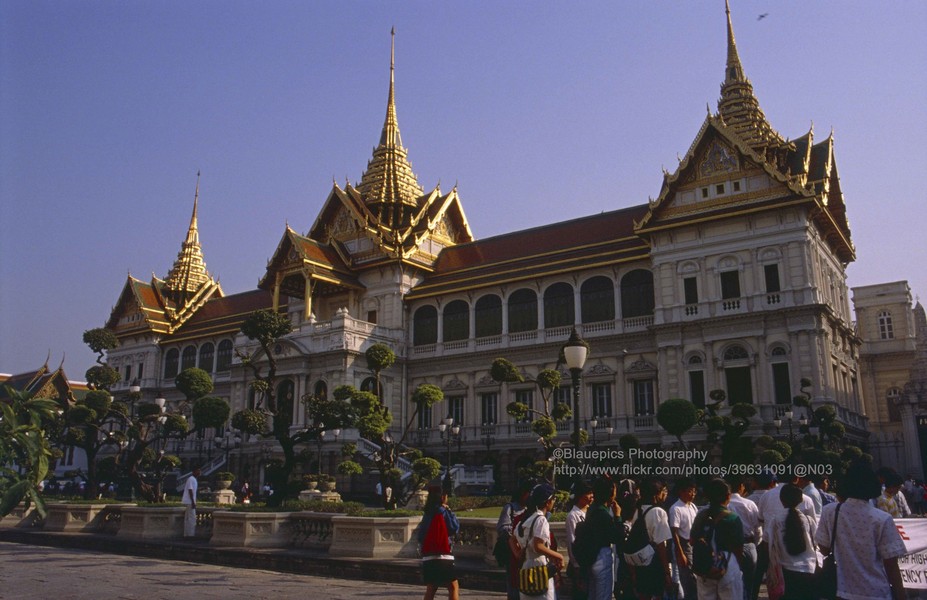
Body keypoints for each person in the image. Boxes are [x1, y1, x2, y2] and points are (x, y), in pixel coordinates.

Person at [815, 461, 907, 600]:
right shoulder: (881, 519)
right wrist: (901, 595)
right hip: (876, 592)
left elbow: (824, 549)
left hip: (841, 590)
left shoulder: (830, 511)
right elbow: (891, 564)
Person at [690, 478, 744, 600]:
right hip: (728, 564)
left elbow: (692, 541)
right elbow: (738, 548)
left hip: (704, 566)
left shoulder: (701, 515)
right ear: (728, 496)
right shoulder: (733, 518)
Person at [766, 484, 817, 600]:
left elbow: (766, 543)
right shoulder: (808, 521)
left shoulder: (775, 521)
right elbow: (816, 543)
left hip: (787, 574)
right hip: (809, 572)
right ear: (800, 500)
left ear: (781, 499)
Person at [514, 483, 564, 600]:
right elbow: (538, 546)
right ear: (547, 502)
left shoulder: (525, 520)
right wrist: (559, 556)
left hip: (526, 569)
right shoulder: (541, 520)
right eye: (553, 499)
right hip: (539, 569)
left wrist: (518, 554)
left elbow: (512, 539)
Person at [629, 476, 673, 600]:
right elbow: (661, 545)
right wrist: (666, 572)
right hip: (654, 563)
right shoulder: (658, 512)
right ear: (656, 494)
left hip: (641, 561)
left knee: (643, 595)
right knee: (657, 595)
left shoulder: (638, 510)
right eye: (662, 491)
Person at [581, 477, 624, 600]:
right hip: (602, 555)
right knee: (604, 596)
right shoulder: (603, 514)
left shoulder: (592, 509)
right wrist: (618, 516)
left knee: (593, 595)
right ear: (610, 494)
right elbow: (617, 537)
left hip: (591, 556)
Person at [416, 485, 460, 600]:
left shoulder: (427, 513)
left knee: (431, 588)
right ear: (443, 497)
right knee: (453, 587)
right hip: (444, 555)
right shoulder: (443, 511)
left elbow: (421, 535)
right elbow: (454, 528)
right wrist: (449, 511)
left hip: (429, 556)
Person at [726, 475, 760, 600]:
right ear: (741, 486)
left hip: (729, 547)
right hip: (748, 544)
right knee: (749, 581)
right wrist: (755, 544)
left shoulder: (725, 505)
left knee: (732, 583)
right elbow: (757, 528)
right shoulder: (749, 504)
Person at [498, 481, 532, 600]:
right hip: (512, 551)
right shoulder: (510, 507)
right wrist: (517, 531)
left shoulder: (531, 509)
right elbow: (502, 528)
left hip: (527, 552)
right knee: (513, 581)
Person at [668, 477, 699, 600]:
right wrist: (680, 552)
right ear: (681, 491)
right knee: (688, 580)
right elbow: (674, 532)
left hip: (694, 544)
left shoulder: (692, 507)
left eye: (694, 491)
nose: (692, 494)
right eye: (689, 491)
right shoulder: (676, 508)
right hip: (684, 545)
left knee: (695, 578)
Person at [565, 480, 594, 600]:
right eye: (589, 493)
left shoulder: (591, 511)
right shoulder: (573, 515)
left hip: (590, 561)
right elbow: (572, 542)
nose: (592, 496)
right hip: (580, 563)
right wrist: (576, 566)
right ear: (580, 495)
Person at [182, 467, 200, 538]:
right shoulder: (191, 479)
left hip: (190, 501)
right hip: (189, 502)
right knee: (191, 519)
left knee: (188, 518)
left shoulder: (193, 479)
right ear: (194, 472)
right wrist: (193, 501)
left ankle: (187, 534)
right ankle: (190, 535)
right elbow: (190, 490)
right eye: (198, 471)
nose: (199, 473)